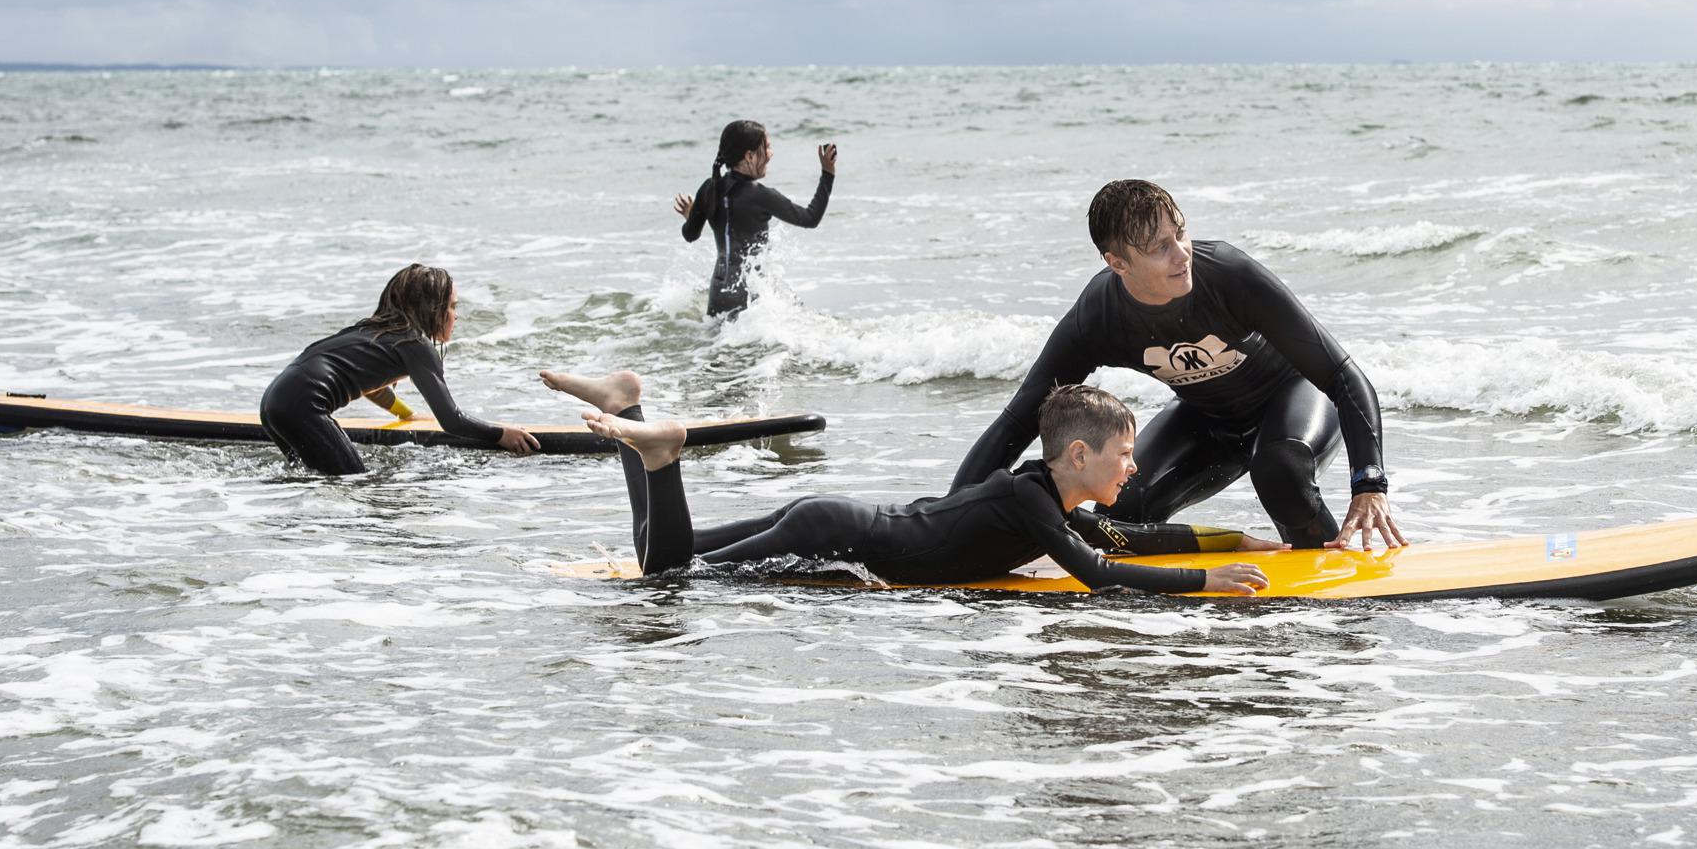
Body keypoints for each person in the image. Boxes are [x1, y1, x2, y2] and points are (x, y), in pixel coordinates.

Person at [951, 180, 1403, 552]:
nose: (1181, 253)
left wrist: (1370, 483)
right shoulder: (1100, 318)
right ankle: (1165, 612)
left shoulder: (1229, 276)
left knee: (1279, 470)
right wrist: (948, 519)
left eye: (1181, 234)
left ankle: (1337, 577)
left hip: (1293, 398)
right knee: (1121, 509)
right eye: (1159, 248)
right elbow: (1021, 416)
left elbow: (1344, 375)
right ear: (1118, 263)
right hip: (1209, 420)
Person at [541, 367, 1275, 593]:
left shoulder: (1041, 497)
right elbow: (1099, 572)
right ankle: (661, 453)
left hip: (831, 519)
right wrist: (1205, 584)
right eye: (1124, 453)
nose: (1134, 467)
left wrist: (1234, 537)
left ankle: (628, 412)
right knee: (670, 576)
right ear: (1077, 457)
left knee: (665, 557)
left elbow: (1131, 537)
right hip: (834, 533)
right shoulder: (1032, 502)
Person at [258, 264, 540, 475]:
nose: (457, 315)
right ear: (433, 309)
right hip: (303, 405)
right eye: (452, 307)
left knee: (308, 479)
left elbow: (371, 386)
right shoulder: (413, 344)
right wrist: (502, 434)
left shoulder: (374, 331)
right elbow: (452, 421)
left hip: (275, 400)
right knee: (354, 480)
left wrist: (405, 414)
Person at [675, 120, 837, 316]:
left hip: (718, 294)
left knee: (716, 345)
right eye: (766, 147)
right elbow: (810, 218)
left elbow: (690, 234)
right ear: (749, 156)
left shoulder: (709, 188)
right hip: (747, 295)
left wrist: (690, 215)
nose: (771, 153)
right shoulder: (761, 195)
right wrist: (828, 174)